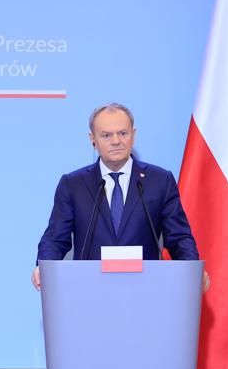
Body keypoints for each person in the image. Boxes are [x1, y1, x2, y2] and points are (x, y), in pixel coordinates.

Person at [32, 102, 199, 290]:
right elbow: (55, 238)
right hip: (89, 290)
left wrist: (192, 269)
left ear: (133, 135)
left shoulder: (160, 180)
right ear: (92, 139)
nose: (116, 141)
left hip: (145, 290)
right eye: (106, 135)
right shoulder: (73, 184)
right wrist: (43, 266)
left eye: (122, 133)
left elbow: (179, 237)